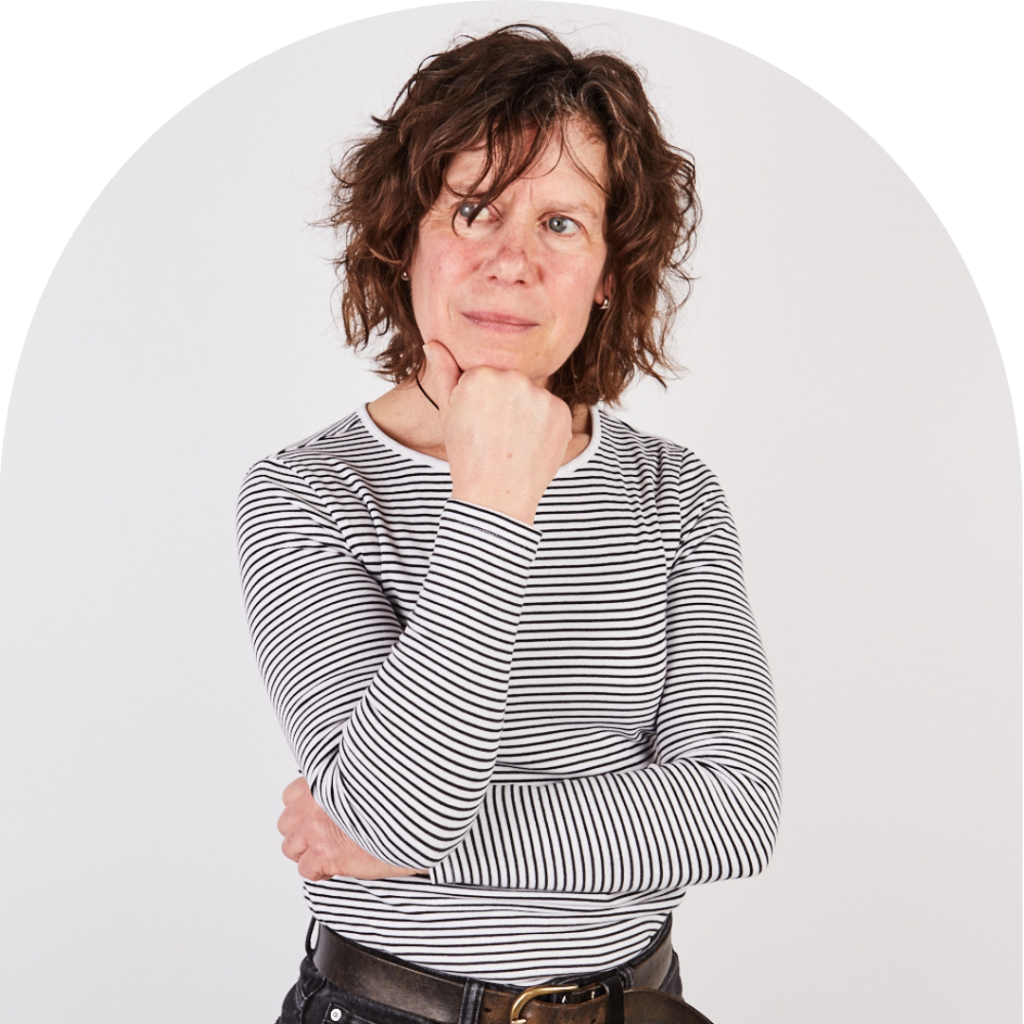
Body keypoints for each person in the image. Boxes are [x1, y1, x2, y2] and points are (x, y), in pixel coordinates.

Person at [236, 23, 780, 1024]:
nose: (510, 261)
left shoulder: (673, 493)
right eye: (474, 209)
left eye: (562, 223)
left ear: (612, 268)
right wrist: (492, 500)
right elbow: (401, 804)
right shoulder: (307, 494)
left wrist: (384, 841)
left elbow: (735, 813)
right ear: (405, 235)